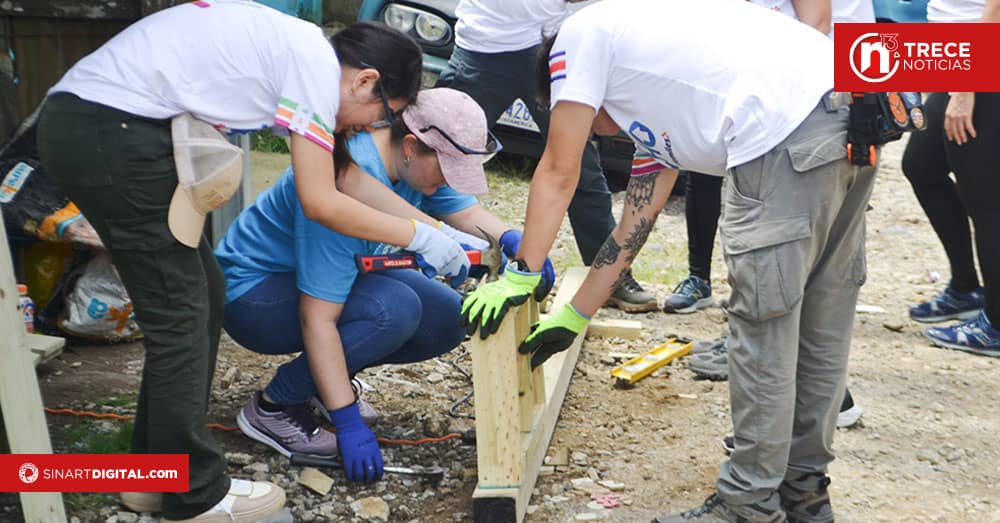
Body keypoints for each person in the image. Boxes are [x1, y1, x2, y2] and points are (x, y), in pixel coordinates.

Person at [34, 2, 449, 520]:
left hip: (106, 123)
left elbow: (344, 179)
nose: (374, 125)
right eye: (384, 113)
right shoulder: (315, 73)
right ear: (366, 81)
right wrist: (417, 236)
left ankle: (148, 478)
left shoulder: (306, 58)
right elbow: (321, 201)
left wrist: (432, 232)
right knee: (180, 314)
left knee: (201, 292)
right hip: (111, 129)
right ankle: (196, 495)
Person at [461, 1, 874, 521]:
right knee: (821, 317)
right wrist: (574, 314)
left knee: (763, 325)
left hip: (783, 125)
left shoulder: (579, 35)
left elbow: (558, 170)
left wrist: (523, 272)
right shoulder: (656, 86)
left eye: (590, 123)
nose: (598, 133)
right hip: (851, 106)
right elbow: (636, 220)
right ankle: (804, 494)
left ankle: (747, 504)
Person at [215, 88, 555, 480]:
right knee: (393, 309)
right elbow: (317, 319)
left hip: (323, 275)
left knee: (446, 317)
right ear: (411, 145)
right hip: (255, 296)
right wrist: (347, 422)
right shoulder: (346, 180)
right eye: (446, 169)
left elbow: (464, 211)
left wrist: (513, 240)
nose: (448, 180)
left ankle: (321, 386)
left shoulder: (415, 161)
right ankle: (275, 405)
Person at [683, 0, 866, 432]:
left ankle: (820, 410)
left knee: (792, 271)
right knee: (791, 272)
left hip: (808, 108)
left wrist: (774, 101)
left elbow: (816, 24)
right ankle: (807, 415)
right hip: (799, 102)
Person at [436, 0, 658, 312]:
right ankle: (431, 261)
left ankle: (610, 278)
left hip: (546, 44)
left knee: (579, 165)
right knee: (439, 156)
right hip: (483, 46)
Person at [910, 0, 1000, 357]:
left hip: (980, 63)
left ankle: (995, 323)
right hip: (955, 56)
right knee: (921, 166)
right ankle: (966, 288)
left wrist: (966, 87)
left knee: (985, 199)